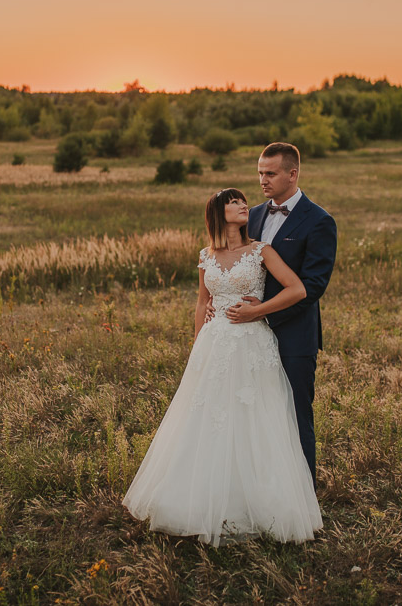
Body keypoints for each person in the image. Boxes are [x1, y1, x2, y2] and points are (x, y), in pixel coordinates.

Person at [122, 188, 323, 547]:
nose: (243, 205)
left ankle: (260, 502)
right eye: (233, 202)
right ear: (217, 212)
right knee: (208, 418)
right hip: (214, 345)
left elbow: (297, 290)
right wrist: (198, 344)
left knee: (253, 417)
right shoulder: (206, 256)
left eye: (243, 201)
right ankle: (200, 499)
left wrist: (258, 309)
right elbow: (202, 302)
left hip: (251, 343)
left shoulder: (262, 251)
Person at [220, 142, 337, 487]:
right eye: (259, 173)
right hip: (246, 337)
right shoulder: (251, 215)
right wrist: (218, 296)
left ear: (292, 174)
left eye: (270, 173)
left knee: (295, 414)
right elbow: (231, 262)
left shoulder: (319, 221)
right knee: (255, 413)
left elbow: (313, 285)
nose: (263, 180)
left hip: (293, 334)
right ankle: (259, 489)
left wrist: (261, 313)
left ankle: (303, 498)